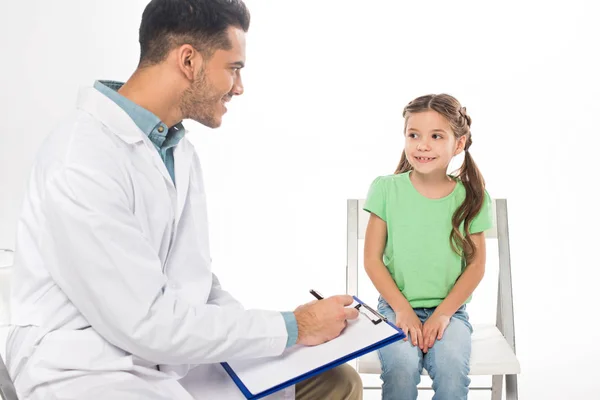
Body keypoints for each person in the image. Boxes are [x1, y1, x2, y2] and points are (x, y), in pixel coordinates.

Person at [5, 1, 363, 399]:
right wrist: (292, 327)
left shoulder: (174, 149)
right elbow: (146, 323)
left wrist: (292, 336)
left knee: (336, 380)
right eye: (234, 68)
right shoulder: (81, 159)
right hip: (85, 366)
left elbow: (195, 284)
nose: (239, 87)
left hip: (166, 356)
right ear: (189, 60)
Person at [362, 94, 493, 400]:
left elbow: (476, 266)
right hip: (395, 308)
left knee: (451, 371)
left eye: (436, 136)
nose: (422, 145)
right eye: (414, 135)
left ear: (458, 144)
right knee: (401, 368)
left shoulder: (472, 197)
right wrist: (403, 310)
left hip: (451, 311)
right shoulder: (386, 189)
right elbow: (372, 260)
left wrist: (443, 315)